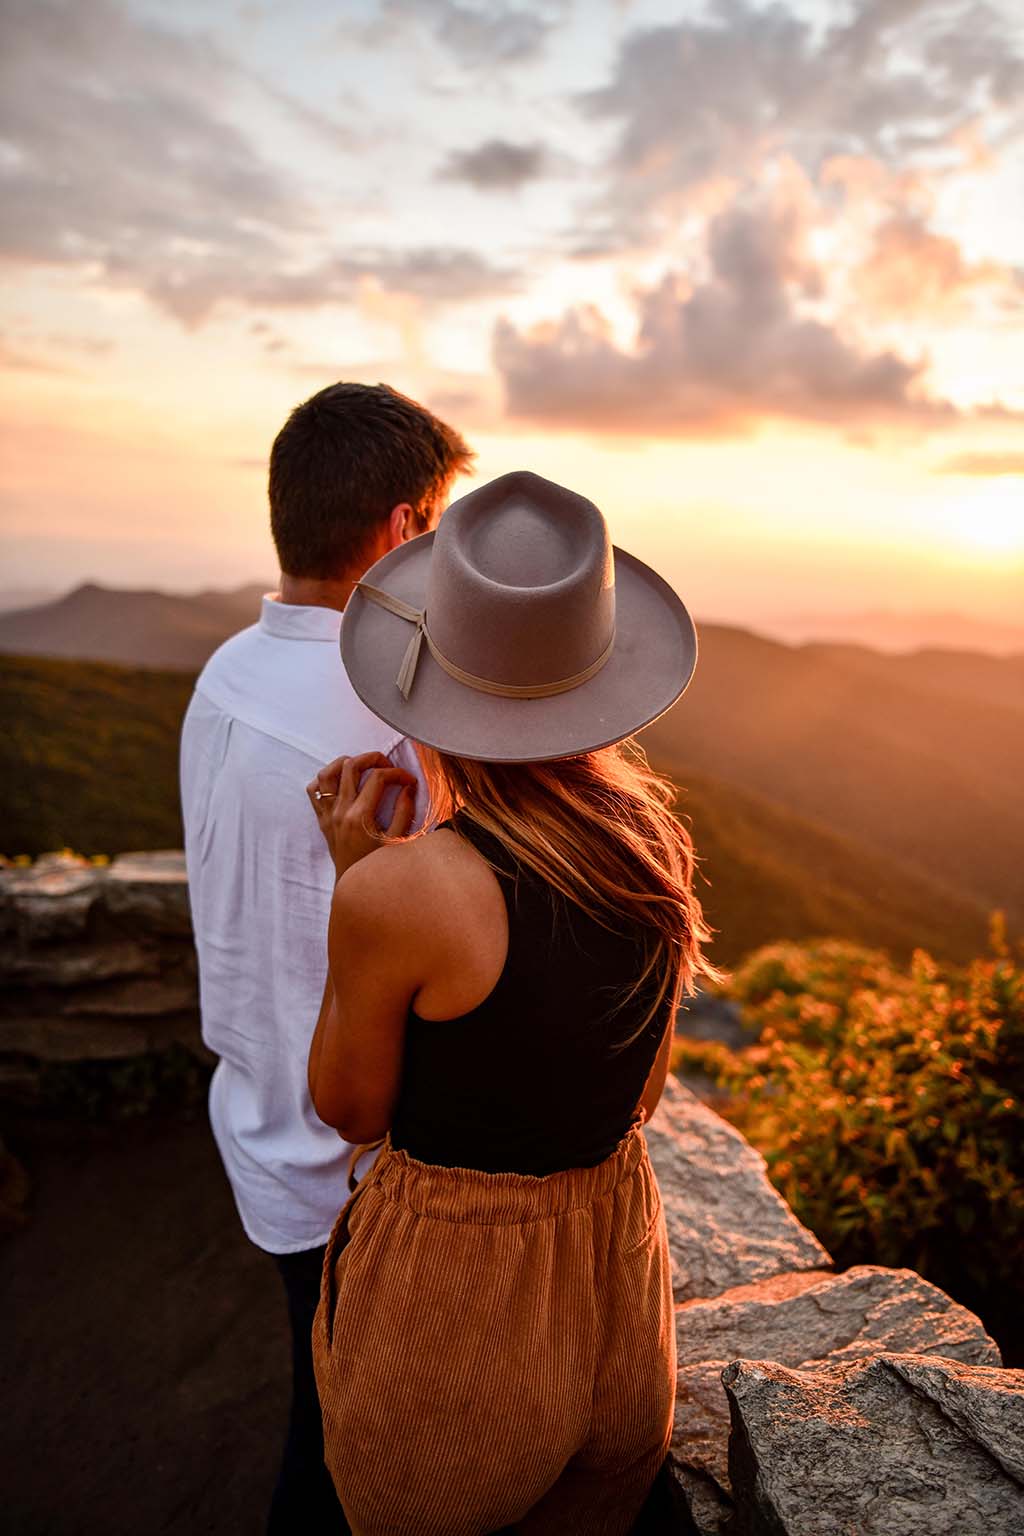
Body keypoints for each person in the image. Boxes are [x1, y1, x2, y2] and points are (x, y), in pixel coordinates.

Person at [305, 470, 721, 1535]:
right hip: (617, 1290)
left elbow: (350, 1111)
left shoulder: (399, 892)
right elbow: (644, 1091)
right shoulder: (652, 851)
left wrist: (356, 876)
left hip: (453, 1320)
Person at [179, 382, 473, 1533]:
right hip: (347, 1156)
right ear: (403, 531)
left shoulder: (225, 673)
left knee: (321, 1394)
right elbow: (441, 933)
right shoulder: (384, 712)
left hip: (251, 1109)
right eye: (440, 526)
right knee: (353, 1453)